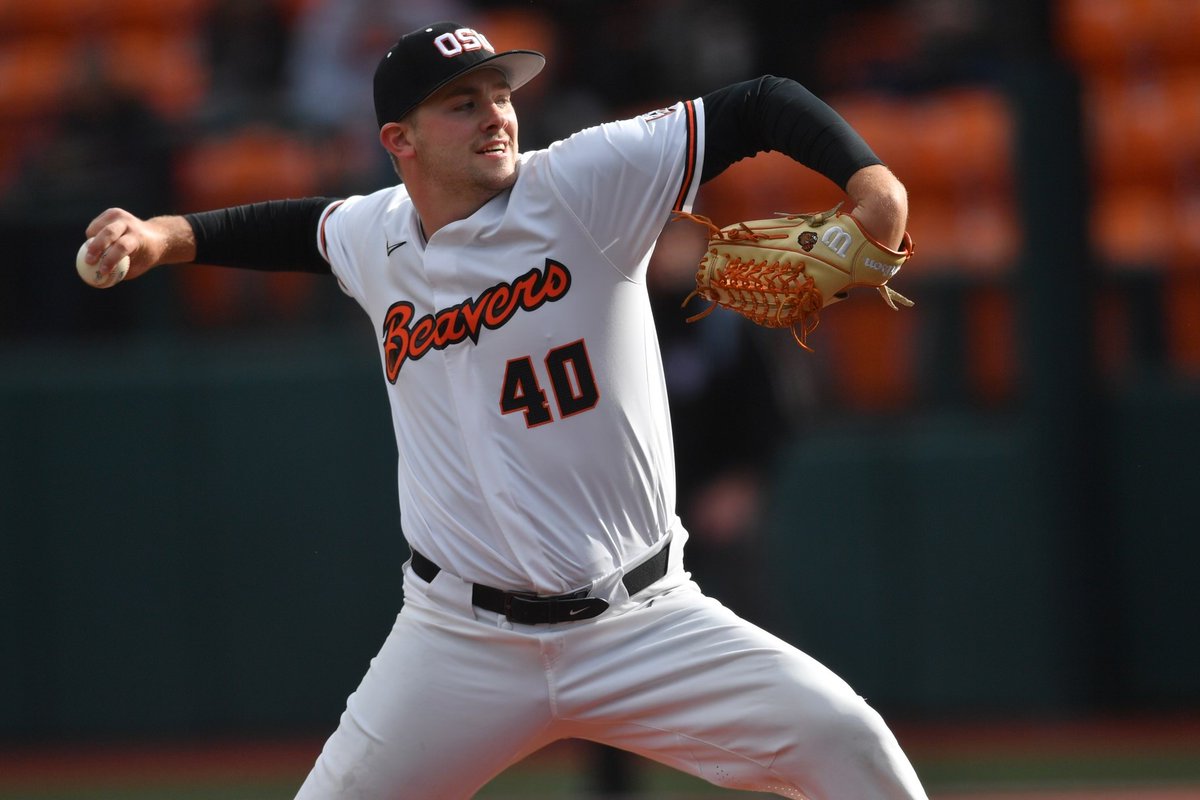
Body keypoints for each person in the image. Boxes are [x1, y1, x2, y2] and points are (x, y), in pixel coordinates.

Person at [81, 20, 926, 800]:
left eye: (500, 94)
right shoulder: (376, 234)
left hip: (642, 621)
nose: (495, 115)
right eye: (462, 103)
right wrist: (162, 237)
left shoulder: (584, 184)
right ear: (399, 140)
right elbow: (294, 230)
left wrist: (875, 183)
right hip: (457, 643)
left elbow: (761, 102)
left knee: (850, 744)